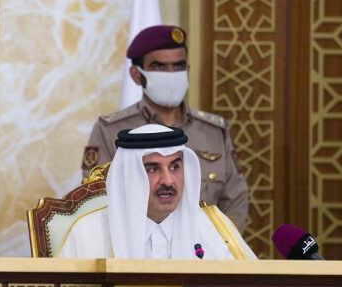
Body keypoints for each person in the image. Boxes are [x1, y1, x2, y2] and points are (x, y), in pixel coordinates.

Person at [81, 25, 248, 232]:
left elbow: (235, 201)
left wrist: (218, 247)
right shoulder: (111, 130)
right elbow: (98, 202)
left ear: (187, 70)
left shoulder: (214, 130)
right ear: (136, 74)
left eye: (178, 66)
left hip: (204, 255)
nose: (171, 74)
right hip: (138, 255)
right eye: (159, 67)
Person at [60, 125, 256, 259]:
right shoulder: (87, 233)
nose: (168, 181)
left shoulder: (214, 228)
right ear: (129, 175)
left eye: (175, 167)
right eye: (153, 169)